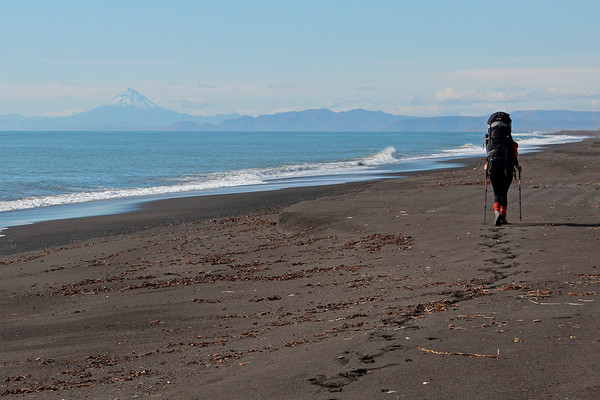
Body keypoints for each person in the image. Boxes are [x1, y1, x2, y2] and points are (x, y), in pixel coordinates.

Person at [484, 112, 522, 226]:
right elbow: (513, 153)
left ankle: (496, 212)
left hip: (493, 164)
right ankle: (503, 216)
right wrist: (517, 165)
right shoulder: (509, 140)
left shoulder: (489, 139)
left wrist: (486, 163)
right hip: (507, 166)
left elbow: (489, 152)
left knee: (496, 191)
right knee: (504, 192)